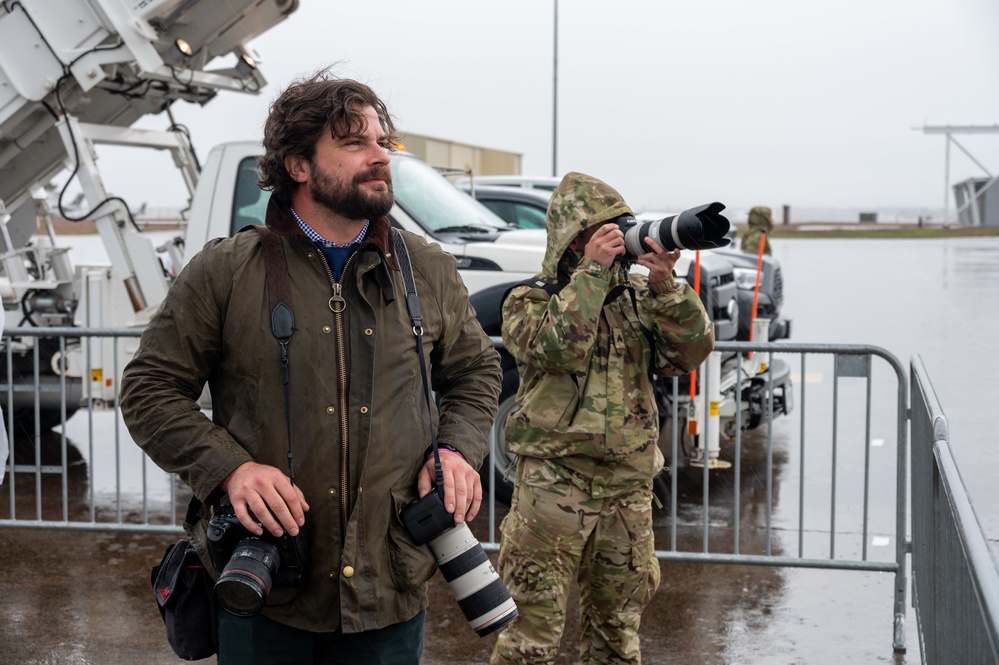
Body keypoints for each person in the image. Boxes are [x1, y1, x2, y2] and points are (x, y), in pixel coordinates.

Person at [120, 70, 502, 664]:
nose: (381, 156)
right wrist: (231, 470)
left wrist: (455, 449)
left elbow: (476, 372)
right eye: (354, 142)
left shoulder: (426, 268)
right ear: (298, 165)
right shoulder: (226, 271)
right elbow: (149, 390)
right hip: (267, 588)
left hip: (388, 587)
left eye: (383, 140)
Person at [490, 172, 716, 664]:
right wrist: (591, 273)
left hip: (626, 490)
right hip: (554, 486)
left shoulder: (638, 298)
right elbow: (557, 350)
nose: (616, 238)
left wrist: (663, 284)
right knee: (531, 638)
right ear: (574, 237)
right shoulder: (530, 298)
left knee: (617, 635)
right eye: (602, 230)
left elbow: (690, 354)